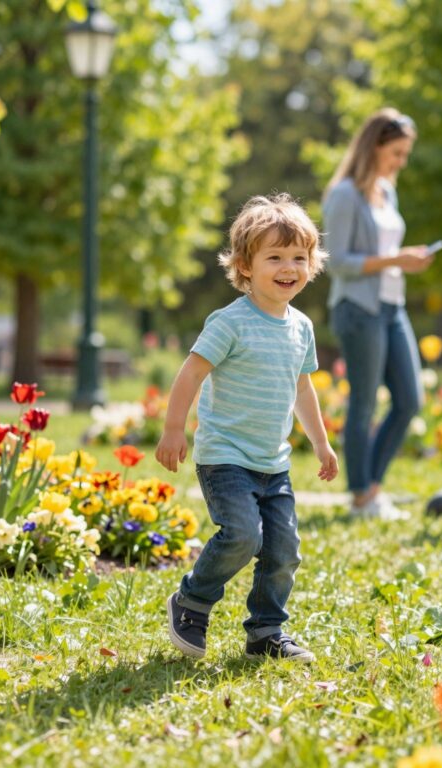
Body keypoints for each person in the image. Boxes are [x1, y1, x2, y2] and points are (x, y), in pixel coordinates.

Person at [155, 194, 338, 663]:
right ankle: (192, 601)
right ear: (245, 265)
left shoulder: (301, 327)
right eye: (274, 256)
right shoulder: (230, 322)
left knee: (283, 550)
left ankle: (266, 632)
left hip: (272, 461)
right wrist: (174, 428)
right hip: (225, 456)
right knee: (242, 534)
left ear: (312, 264)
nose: (288, 267)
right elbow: (191, 373)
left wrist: (321, 443)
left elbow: (303, 390)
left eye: (299, 257)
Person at [322, 108, 434, 519]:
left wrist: (406, 261)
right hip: (358, 308)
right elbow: (335, 261)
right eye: (397, 153)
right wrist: (392, 260)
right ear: (375, 146)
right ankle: (361, 498)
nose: (401, 162)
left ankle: (372, 486)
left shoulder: (388, 191)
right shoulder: (344, 194)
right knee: (364, 403)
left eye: (405, 154)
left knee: (409, 399)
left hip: (392, 306)